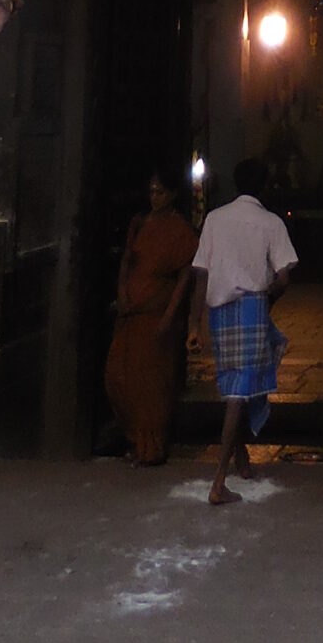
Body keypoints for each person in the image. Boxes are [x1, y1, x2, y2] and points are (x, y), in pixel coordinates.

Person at [188, 157, 297, 506]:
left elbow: (201, 273)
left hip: (219, 313)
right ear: (264, 186)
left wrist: (194, 324)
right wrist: (267, 301)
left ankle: (240, 456)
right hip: (252, 306)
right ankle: (219, 481)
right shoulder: (270, 222)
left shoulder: (214, 219)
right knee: (239, 391)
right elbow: (283, 277)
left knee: (234, 384)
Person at [102, 174, 200, 466]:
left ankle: (151, 446)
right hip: (133, 310)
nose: (153, 197)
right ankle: (133, 436)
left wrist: (170, 316)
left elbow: (184, 279)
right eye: (151, 191)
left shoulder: (180, 232)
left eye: (159, 192)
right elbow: (127, 261)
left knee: (152, 383)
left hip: (157, 313)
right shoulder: (140, 224)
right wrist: (121, 291)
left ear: (171, 195)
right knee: (118, 375)